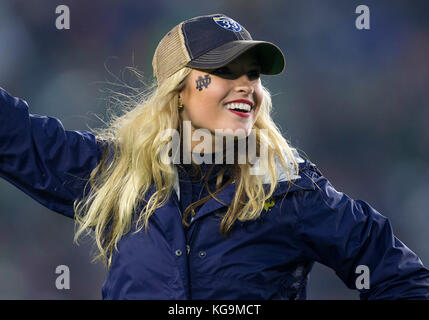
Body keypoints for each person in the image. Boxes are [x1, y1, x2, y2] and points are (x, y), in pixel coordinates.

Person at [1, 13, 428, 300]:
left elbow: (402, 278)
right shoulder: (118, 174)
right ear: (179, 91)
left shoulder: (290, 191)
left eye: (252, 74)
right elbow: (14, 133)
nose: (246, 85)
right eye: (225, 71)